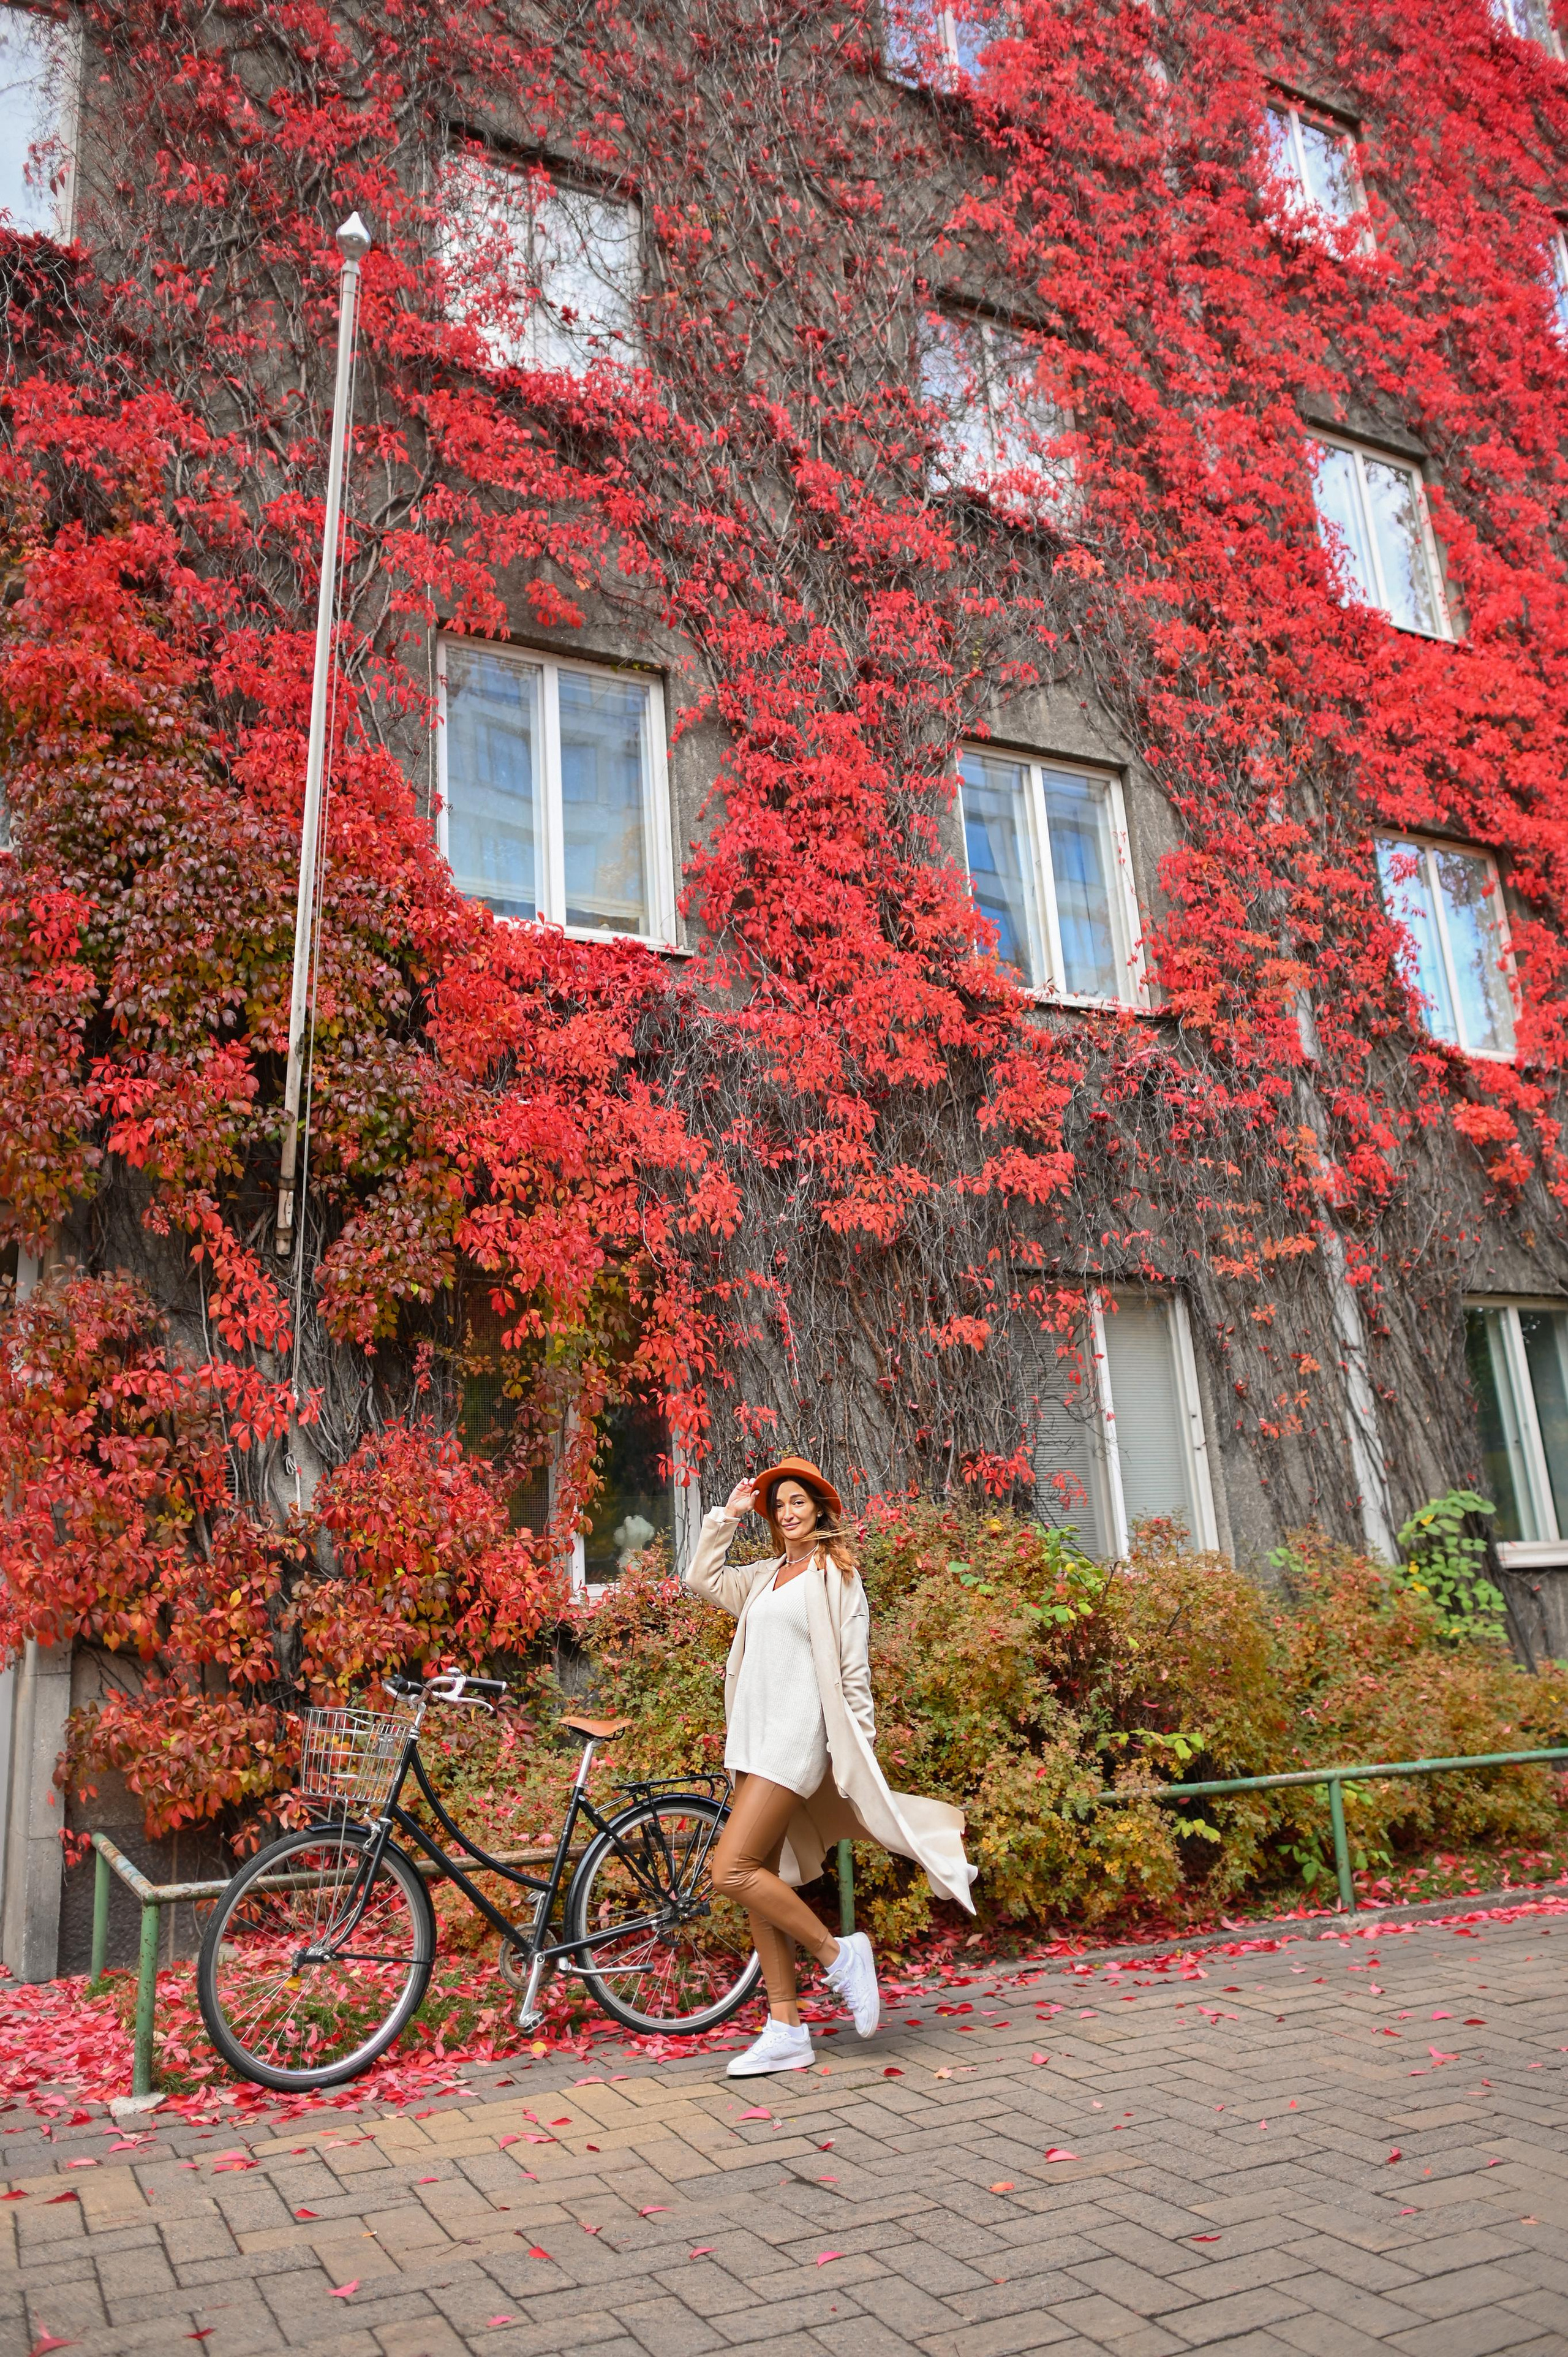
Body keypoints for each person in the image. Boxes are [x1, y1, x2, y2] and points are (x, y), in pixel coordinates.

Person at [686, 1455, 975, 2078]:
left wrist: (856, 1748)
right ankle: (786, 2026)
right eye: (779, 1505)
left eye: (799, 1501)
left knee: (729, 1869)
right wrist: (726, 1517)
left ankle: (840, 1953)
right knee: (761, 1877)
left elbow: (852, 1675)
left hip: (793, 1743)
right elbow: (700, 1579)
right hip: (750, 1741)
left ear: (819, 1507)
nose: (789, 1513)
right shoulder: (765, 1576)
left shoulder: (834, 1576)